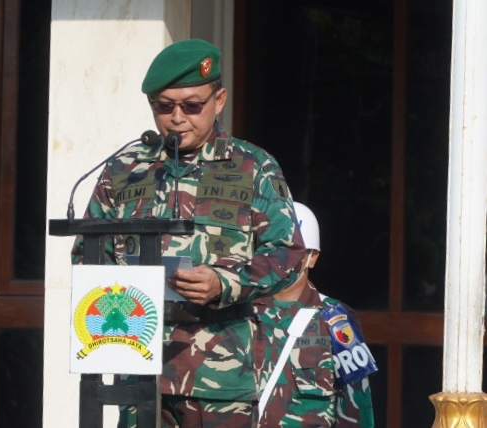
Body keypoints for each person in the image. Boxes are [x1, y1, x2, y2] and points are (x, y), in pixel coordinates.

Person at [72, 38, 305, 427]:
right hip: (139, 371)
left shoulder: (253, 167)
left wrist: (223, 282)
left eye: (192, 105)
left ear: (219, 100)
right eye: (164, 107)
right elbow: (87, 254)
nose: (177, 118)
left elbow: (288, 254)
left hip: (219, 376)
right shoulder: (124, 169)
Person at [253, 202, 376, 427]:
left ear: (312, 257)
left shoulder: (335, 318)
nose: (283, 260)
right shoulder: (239, 313)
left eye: (294, 251)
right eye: (274, 250)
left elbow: (356, 406)